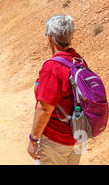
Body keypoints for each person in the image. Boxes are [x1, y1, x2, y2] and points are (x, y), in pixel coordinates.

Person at [27, 15, 88, 165]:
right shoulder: (78, 60)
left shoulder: (53, 68)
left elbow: (45, 110)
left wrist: (33, 139)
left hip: (55, 140)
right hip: (76, 138)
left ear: (50, 37)